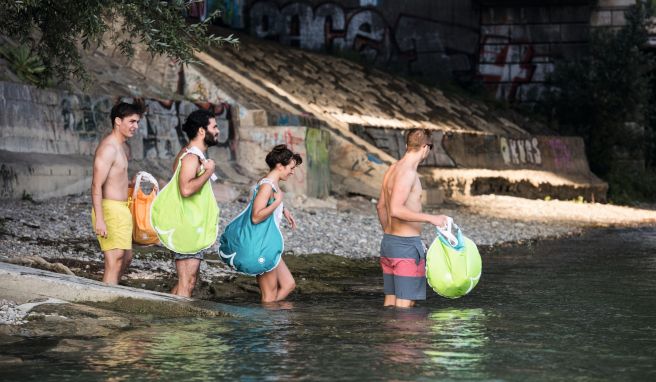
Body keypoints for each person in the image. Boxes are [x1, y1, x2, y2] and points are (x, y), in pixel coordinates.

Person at [376, 129, 448, 308]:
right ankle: (403, 337)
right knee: (405, 307)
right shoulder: (408, 173)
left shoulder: (393, 169)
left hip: (389, 244)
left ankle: (389, 336)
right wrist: (432, 218)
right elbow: (395, 209)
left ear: (408, 145)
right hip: (406, 247)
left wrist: (389, 232)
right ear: (425, 147)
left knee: (391, 302)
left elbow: (381, 206)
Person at [91, 101, 144, 284]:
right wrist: (100, 219)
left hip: (122, 209)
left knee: (126, 258)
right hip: (109, 210)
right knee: (114, 261)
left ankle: (111, 292)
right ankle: (105, 305)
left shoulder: (121, 147)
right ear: (118, 121)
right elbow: (96, 185)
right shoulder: (108, 148)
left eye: (137, 122)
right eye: (132, 121)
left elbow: (114, 179)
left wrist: (131, 183)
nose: (135, 126)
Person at [170, 109, 220, 297]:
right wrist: (208, 171)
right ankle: (178, 325)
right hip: (187, 227)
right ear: (201, 131)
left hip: (192, 227)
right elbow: (186, 189)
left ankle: (168, 319)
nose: (218, 131)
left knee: (188, 281)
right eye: (214, 127)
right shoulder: (191, 157)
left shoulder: (191, 154)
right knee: (187, 282)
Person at [251, 144, 301, 303]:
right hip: (262, 244)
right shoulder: (266, 185)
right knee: (269, 295)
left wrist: (283, 208)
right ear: (280, 165)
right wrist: (277, 203)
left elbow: (268, 202)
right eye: (291, 168)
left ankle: (270, 319)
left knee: (288, 284)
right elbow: (256, 217)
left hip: (269, 244)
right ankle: (266, 323)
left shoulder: (271, 184)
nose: (292, 172)